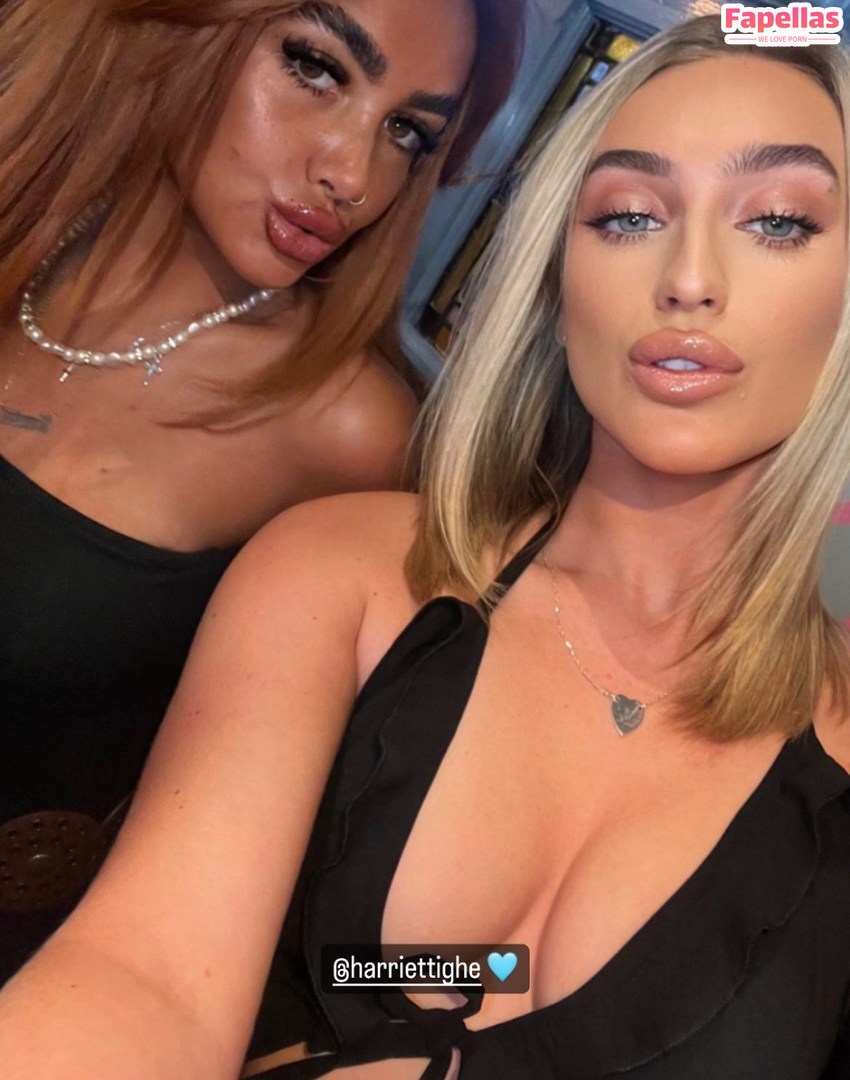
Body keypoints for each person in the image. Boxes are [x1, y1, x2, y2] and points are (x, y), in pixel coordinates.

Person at [1, 12, 849, 1079]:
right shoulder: (342, 574)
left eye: (779, 221)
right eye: (629, 215)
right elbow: (151, 975)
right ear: (556, 274)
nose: (688, 277)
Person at [0, 0, 523, 982]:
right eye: (317, 68)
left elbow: (406, 876)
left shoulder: (347, 433)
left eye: (407, 133)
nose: (353, 175)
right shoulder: (22, 228)